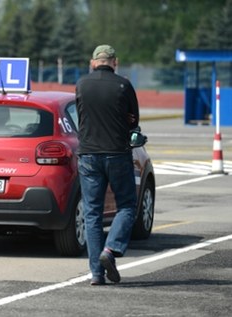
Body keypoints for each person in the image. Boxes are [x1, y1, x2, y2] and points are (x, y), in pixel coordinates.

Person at [75, 44, 139, 285]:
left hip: (89, 154)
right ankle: (110, 250)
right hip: (117, 152)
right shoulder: (123, 85)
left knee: (92, 213)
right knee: (127, 206)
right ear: (115, 62)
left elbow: (81, 117)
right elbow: (133, 122)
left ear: (93, 62)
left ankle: (96, 274)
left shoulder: (82, 84)